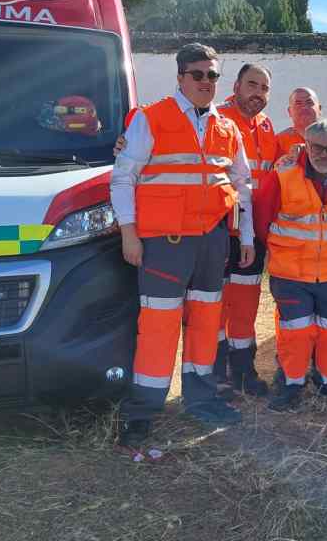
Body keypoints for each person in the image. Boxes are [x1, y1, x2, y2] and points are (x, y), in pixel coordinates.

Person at [111, 43, 252, 451]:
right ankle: (142, 413)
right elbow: (124, 178)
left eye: (212, 75)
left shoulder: (227, 127)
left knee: (207, 321)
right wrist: (128, 233)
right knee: (158, 325)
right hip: (164, 242)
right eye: (198, 74)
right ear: (180, 77)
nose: (206, 82)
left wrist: (244, 235)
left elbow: (241, 185)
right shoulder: (151, 118)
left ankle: (201, 398)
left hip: (211, 240)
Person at [254, 119, 327, 411]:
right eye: (317, 147)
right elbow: (261, 218)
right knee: (297, 332)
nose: (324, 154)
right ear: (305, 145)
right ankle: (292, 385)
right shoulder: (284, 172)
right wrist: (282, 250)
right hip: (291, 272)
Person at [215, 63, 279, 397]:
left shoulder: (267, 126)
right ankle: (217, 374)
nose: (258, 93)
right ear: (236, 85)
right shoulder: (216, 118)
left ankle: (243, 370)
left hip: (251, 233)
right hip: (220, 230)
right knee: (216, 304)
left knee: (246, 302)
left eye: (264, 88)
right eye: (252, 84)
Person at [276, 87, 321, 152]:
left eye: (309, 103)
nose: (304, 107)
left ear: (319, 109)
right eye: (298, 104)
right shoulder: (278, 142)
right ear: (289, 111)